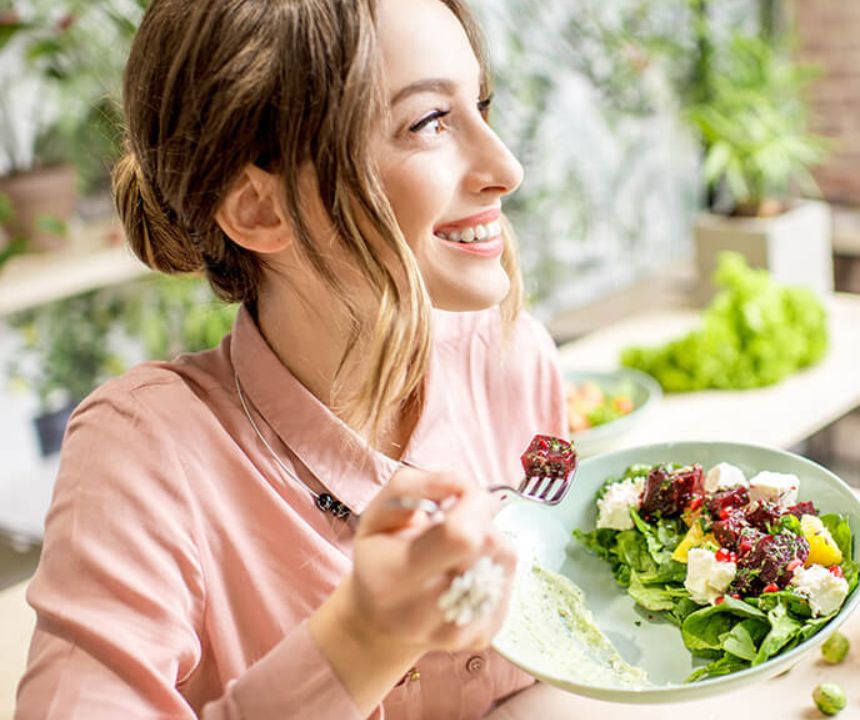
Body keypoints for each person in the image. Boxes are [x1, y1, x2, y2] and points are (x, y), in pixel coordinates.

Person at [16, 0, 567, 717]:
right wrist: (363, 639)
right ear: (258, 210)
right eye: (430, 121)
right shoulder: (144, 455)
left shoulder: (514, 358)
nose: (506, 167)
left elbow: (570, 584)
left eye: (481, 104)